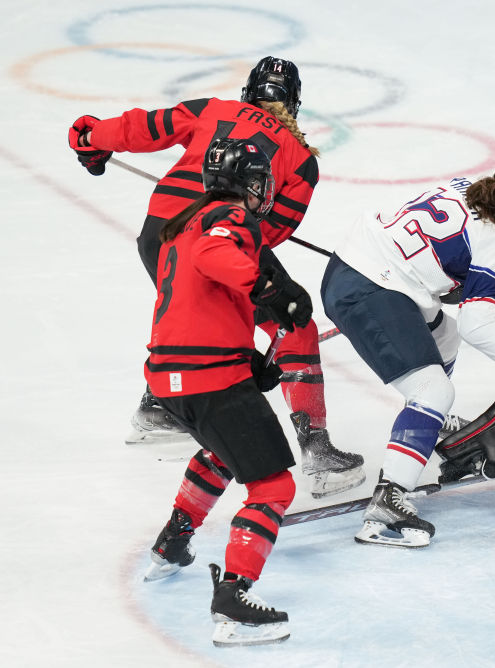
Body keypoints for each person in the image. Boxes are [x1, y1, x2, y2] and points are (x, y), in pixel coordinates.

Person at [67, 56, 365, 496]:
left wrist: (92, 135)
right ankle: (317, 451)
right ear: (295, 103)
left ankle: (159, 407)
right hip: (223, 244)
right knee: (294, 329)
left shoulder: (215, 109)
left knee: (189, 313)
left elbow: (148, 127)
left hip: (161, 232)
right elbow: (273, 231)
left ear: (249, 91)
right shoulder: (302, 160)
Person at [321, 144, 495, 548]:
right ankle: (388, 502)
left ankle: (428, 426)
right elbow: (480, 321)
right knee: (433, 390)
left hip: (361, 266)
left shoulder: (471, 187)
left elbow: (450, 273)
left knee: (445, 335)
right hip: (372, 287)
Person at [141, 137, 307, 646]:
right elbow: (218, 256)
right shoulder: (230, 219)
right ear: (245, 185)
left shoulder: (181, 224)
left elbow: (197, 297)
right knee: (274, 487)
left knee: (220, 448)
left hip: (168, 377)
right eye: (260, 183)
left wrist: (246, 359)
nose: (264, 194)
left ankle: (173, 542)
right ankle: (233, 600)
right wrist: (270, 291)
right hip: (209, 377)